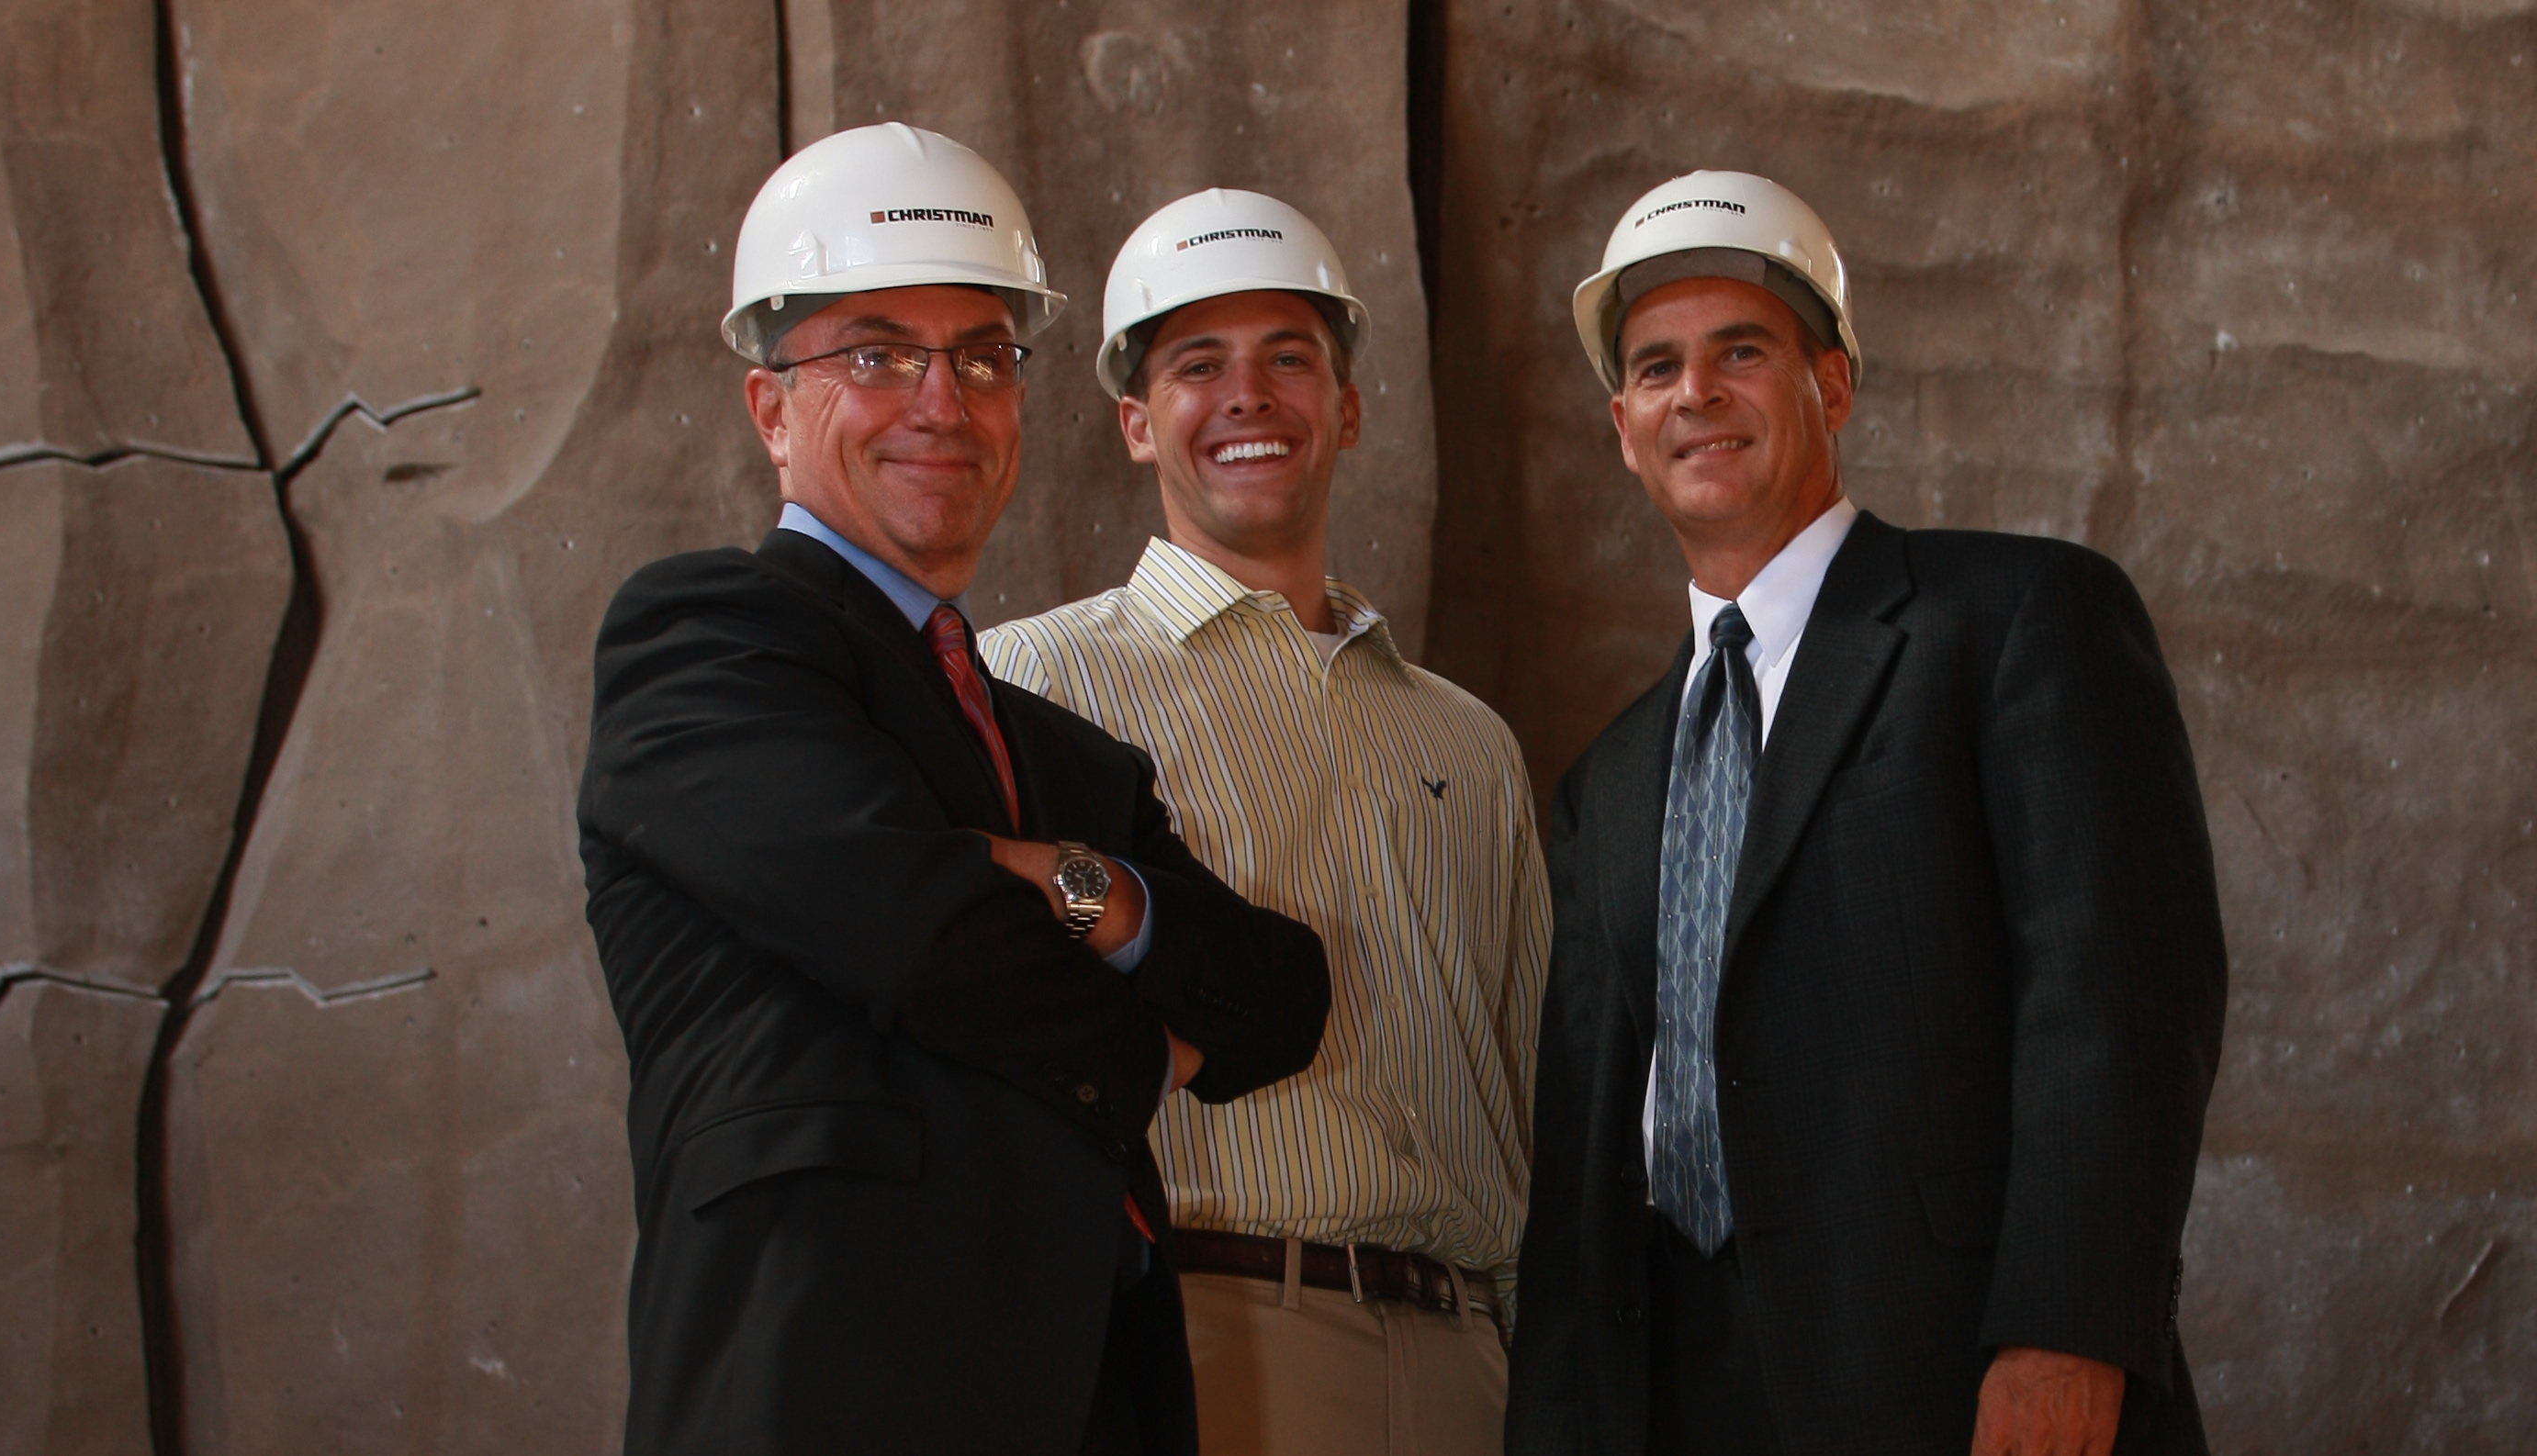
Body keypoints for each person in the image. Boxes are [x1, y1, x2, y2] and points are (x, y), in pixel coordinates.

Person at [576, 124, 1330, 1456]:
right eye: (875, 355)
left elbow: (1278, 996)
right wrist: (1141, 1048)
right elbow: (923, 932)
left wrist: (1065, 877)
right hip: (827, 1391)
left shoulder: (1064, 760)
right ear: (770, 407)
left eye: (982, 357)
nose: (942, 402)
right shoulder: (704, 641)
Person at [1504, 171, 2228, 1456]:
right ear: (1624, 425)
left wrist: (2070, 1324)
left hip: (1953, 1374)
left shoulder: (2015, 624)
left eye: (1743, 351)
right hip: (1673, 1390)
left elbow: (2119, 992)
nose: (1698, 394)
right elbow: (1584, 1165)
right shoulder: (1607, 779)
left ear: (1832, 385)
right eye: (1659, 367)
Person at [981, 188, 1548, 1456]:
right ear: (1135, 422)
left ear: (1347, 408)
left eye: (1289, 357)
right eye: (1198, 366)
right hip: (1201, 1341)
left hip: (1475, 1366)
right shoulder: (1030, 689)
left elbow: (1524, 1091)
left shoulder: (1473, 743)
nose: (1248, 395)